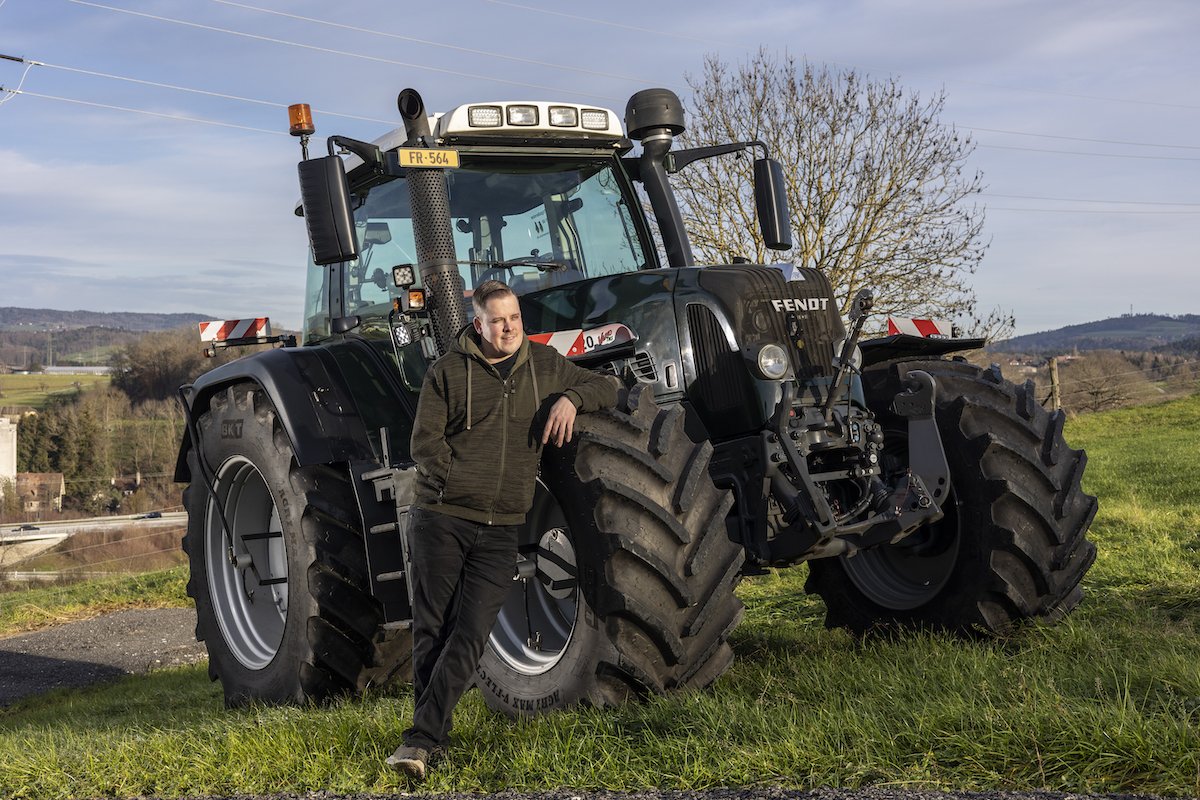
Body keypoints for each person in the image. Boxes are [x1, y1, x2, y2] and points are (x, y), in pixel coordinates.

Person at [387, 279, 618, 780]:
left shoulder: (543, 365)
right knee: (435, 629)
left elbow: (609, 385)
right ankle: (427, 742)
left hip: (501, 528)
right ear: (480, 324)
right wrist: (459, 486)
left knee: (470, 633)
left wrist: (571, 399)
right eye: (498, 320)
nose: (509, 327)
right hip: (442, 519)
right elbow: (425, 443)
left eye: (514, 318)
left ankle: (420, 737)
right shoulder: (448, 371)